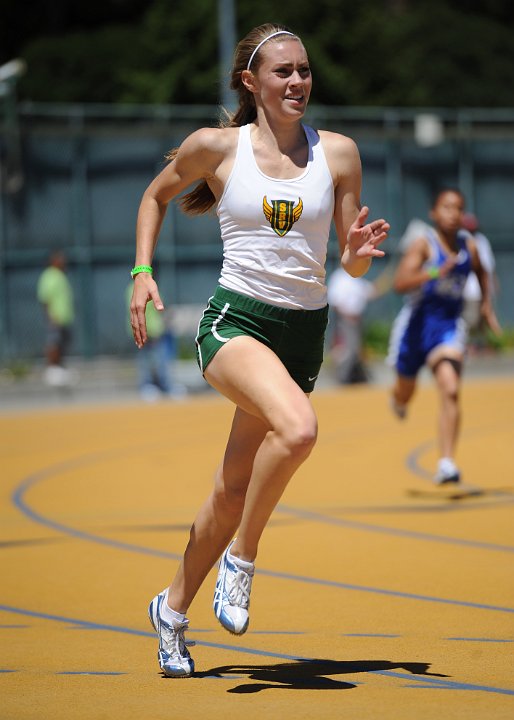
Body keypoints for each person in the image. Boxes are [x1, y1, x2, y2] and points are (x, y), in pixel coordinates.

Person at [130, 23, 389, 678]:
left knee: (229, 488)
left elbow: (352, 264)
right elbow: (154, 197)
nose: (298, 81)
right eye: (283, 71)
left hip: (303, 333)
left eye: (305, 70)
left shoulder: (340, 154)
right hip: (235, 323)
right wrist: (141, 273)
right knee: (299, 429)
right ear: (251, 80)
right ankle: (241, 562)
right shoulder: (216, 147)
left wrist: (355, 257)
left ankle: (172, 608)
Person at [387, 188, 501, 485]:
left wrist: (487, 306)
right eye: (447, 207)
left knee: (450, 387)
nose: (453, 213)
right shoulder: (424, 246)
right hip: (416, 326)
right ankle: (398, 399)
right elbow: (400, 283)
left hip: (448, 327)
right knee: (404, 391)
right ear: (434, 213)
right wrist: (434, 272)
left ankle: (446, 462)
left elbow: (482, 272)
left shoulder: (470, 247)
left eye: (458, 208)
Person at [327, 267, 377, 383]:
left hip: (357, 320)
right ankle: (343, 377)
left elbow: (370, 292)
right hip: (345, 320)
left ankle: (353, 376)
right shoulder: (339, 277)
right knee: (347, 350)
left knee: (355, 349)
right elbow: (335, 301)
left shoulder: (357, 277)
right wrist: (346, 316)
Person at [461, 212, 500, 351]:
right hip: (467, 289)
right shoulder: (460, 240)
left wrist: (492, 285)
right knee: (471, 320)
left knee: (484, 317)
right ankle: (485, 344)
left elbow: (487, 266)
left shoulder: (481, 241)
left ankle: (493, 343)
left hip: (479, 288)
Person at [37, 250, 76, 387]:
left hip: (64, 318)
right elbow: (45, 299)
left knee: (62, 344)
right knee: (53, 343)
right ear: (53, 260)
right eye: (60, 258)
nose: (63, 261)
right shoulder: (49, 276)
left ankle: (59, 369)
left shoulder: (61, 275)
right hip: (55, 318)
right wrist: (51, 317)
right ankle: (51, 370)